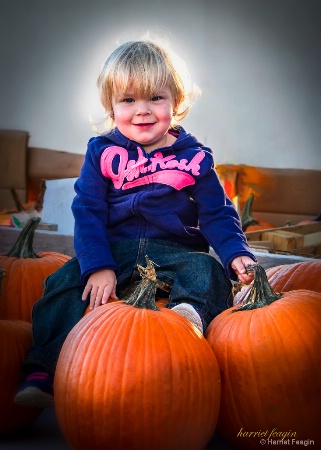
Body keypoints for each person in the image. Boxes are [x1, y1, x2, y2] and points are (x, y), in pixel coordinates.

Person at [14, 37, 256, 409]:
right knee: (61, 282)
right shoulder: (101, 152)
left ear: (176, 101)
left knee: (208, 270)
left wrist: (235, 252)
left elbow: (216, 212)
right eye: (128, 100)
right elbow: (89, 211)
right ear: (110, 106)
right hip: (117, 252)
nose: (142, 111)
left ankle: (186, 321)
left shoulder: (195, 158)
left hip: (174, 254)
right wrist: (98, 266)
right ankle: (44, 367)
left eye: (155, 98)